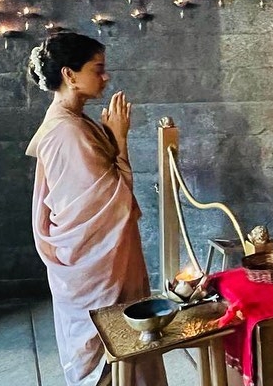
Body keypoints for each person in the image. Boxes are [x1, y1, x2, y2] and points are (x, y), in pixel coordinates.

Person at [25, 32, 167, 386]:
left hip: (107, 259)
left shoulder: (76, 122)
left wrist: (111, 137)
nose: (105, 77)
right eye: (98, 69)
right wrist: (119, 140)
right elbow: (108, 207)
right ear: (69, 74)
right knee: (114, 350)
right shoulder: (67, 132)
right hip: (97, 265)